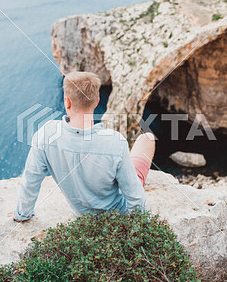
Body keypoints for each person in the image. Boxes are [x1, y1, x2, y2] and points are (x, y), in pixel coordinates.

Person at [11, 71, 155, 222]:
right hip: (117, 215)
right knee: (147, 138)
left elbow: (30, 181)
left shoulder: (45, 135)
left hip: (80, 214)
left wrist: (22, 214)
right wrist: (141, 228)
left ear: (67, 101)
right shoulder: (115, 142)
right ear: (97, 101)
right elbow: (135, 198)